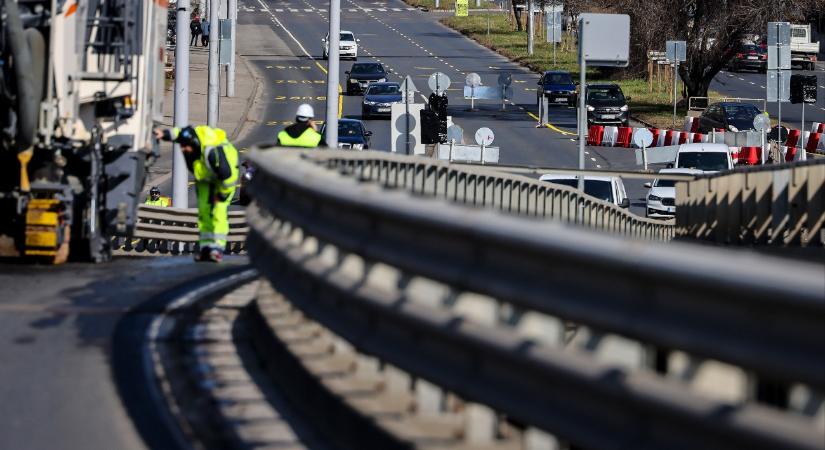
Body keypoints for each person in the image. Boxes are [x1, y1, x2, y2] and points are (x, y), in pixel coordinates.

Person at [153, 125, 239, 262]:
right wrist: (163, 134)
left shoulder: (212, 153)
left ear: (195, 144)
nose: (183, 149)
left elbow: (228, 177)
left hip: (222, 180)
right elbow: (178, 133)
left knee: (218, 211)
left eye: (186, 147)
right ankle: (206, 247)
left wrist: (222, 195)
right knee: (204, 211)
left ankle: (217, 248)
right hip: (205, 176)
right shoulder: (188, 138)